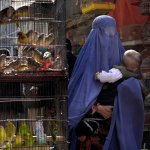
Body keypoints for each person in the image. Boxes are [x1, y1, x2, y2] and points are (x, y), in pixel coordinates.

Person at [68, 15, 144, 150]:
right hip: (89, 137)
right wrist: (96, 108)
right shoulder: (86, 66)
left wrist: (116, 108)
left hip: (116, 133)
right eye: (104, 34)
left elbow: (135, 101)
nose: (108, 40)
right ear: (95, 36)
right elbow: (76, 104)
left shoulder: (125, 63)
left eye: (112, 34)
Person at [75, 49, 143, 147]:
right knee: (98, 119)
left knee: (95, 118)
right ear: (136, 68)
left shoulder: (118, 71)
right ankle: (84, 132)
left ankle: (82, 132)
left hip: (105, 99)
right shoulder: (133, 78)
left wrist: (98, 75)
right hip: (112, 104)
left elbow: (108, 77)